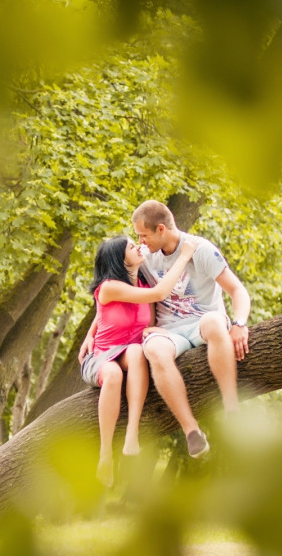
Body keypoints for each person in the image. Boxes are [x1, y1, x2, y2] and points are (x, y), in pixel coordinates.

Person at [131, 199, 251, 458]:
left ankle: (232, 410)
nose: (141, 241)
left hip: (205, 321)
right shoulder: (146, 258)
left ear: (161, 229)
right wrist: (150, 328)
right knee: (154, 349)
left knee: (214, 322)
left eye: (144, 235)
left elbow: (237, 290)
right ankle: (191, 431)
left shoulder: (201, 249)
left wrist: (240, 323)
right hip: (169, 330)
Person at [78, 233, 198, 487]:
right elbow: (159, 292)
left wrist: (153, 330)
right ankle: (106, 454)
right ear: (121, 261)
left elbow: (142, 313)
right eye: (133, 247)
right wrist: (185, 255)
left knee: (136, 351)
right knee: (112, 374)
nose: (140, 246)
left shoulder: (141, 285)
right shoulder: (110, 286)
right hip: (101, 356)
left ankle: (132, 434)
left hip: (129, 353)